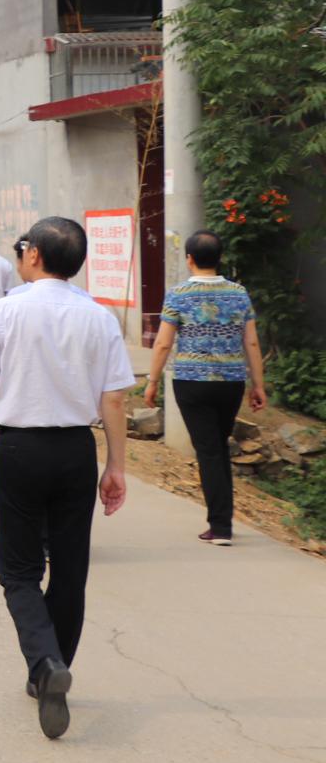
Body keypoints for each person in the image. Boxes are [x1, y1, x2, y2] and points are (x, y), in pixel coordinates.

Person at [0, 217, 134, 740]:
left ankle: (45, 661)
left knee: (18, 569)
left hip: (18, 449)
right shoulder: (98, 318)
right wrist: (114, 466)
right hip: (75, 450)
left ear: (33, 255)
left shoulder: (5, 311)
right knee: (71, 567)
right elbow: (115, 398)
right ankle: (51, 669)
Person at [143, 230, 268, 546]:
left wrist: (152, 381)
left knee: (209, 450)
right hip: (230, 382)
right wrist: (258, 384)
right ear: (219, 258)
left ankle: (221, 526)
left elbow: (162, 343)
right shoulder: (239, 294)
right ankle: (222, 518)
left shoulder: (179, 294)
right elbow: (251, 340)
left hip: (192, 383)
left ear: (189, 259)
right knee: (218, 446)